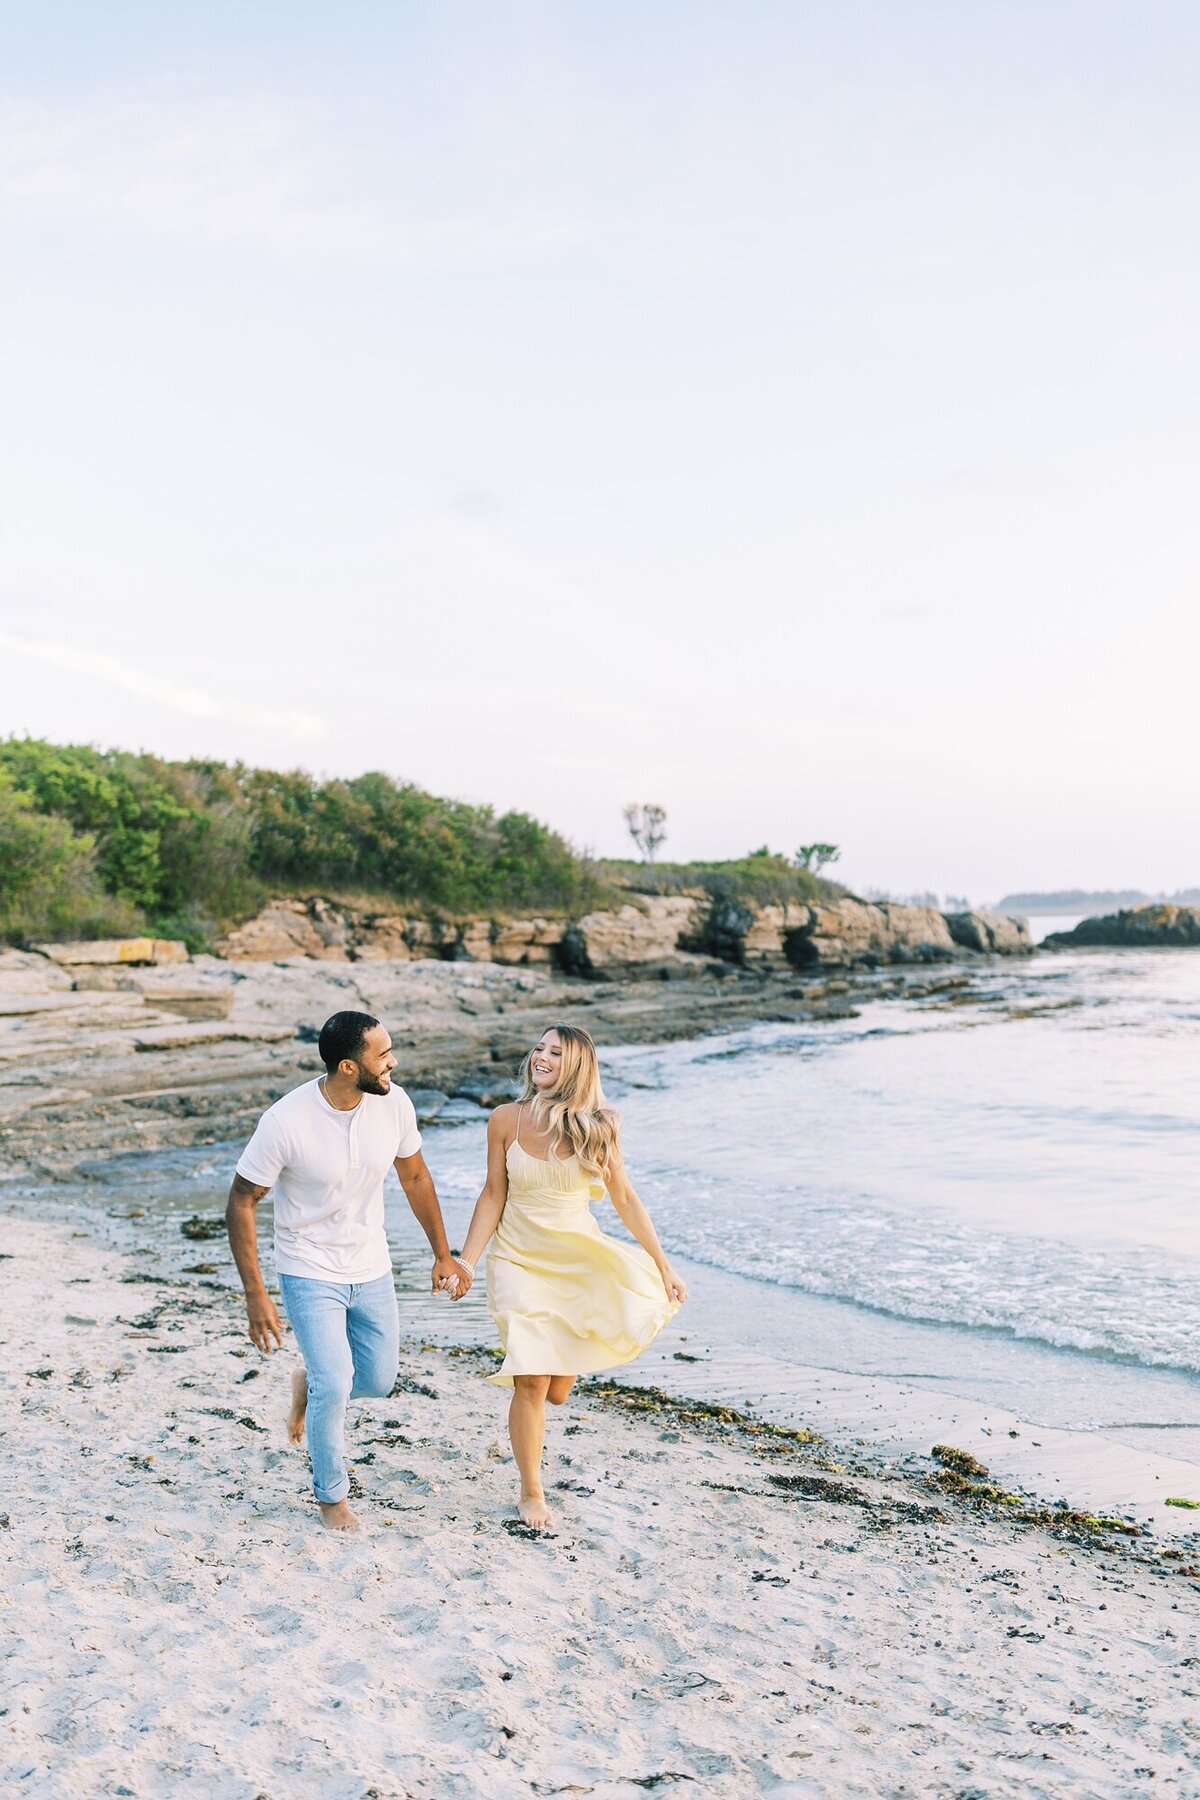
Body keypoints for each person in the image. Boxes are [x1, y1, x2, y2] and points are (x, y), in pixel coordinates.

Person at [226, 1010, 471, 1532]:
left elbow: (416, 1176)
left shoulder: (394, 1103)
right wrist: (256, 1294)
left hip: (372, 1264)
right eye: (382, 1056)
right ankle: (332, 1497)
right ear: (346, 1066)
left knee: (379, 1380)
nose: (393, 1063)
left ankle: (309, 1384)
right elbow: (242, 1201)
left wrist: (442, 1253)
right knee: (335, 1384)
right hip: (308, 1265)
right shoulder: (286, 1121)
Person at [453, 1023, 687, 1529]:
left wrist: (663, 1264)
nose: (541, 1057)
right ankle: (531, 1492)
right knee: (532, 1380)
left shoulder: (597, 1127)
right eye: (539, 1048)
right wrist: (467, 1261)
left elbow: (624, 1198)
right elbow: (493, 1195)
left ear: (576, 1066)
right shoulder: (504, 1120)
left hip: (577, 1263)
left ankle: (563, 1364)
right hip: (517, 1260)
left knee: (557, 1390)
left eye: (555, 1053)